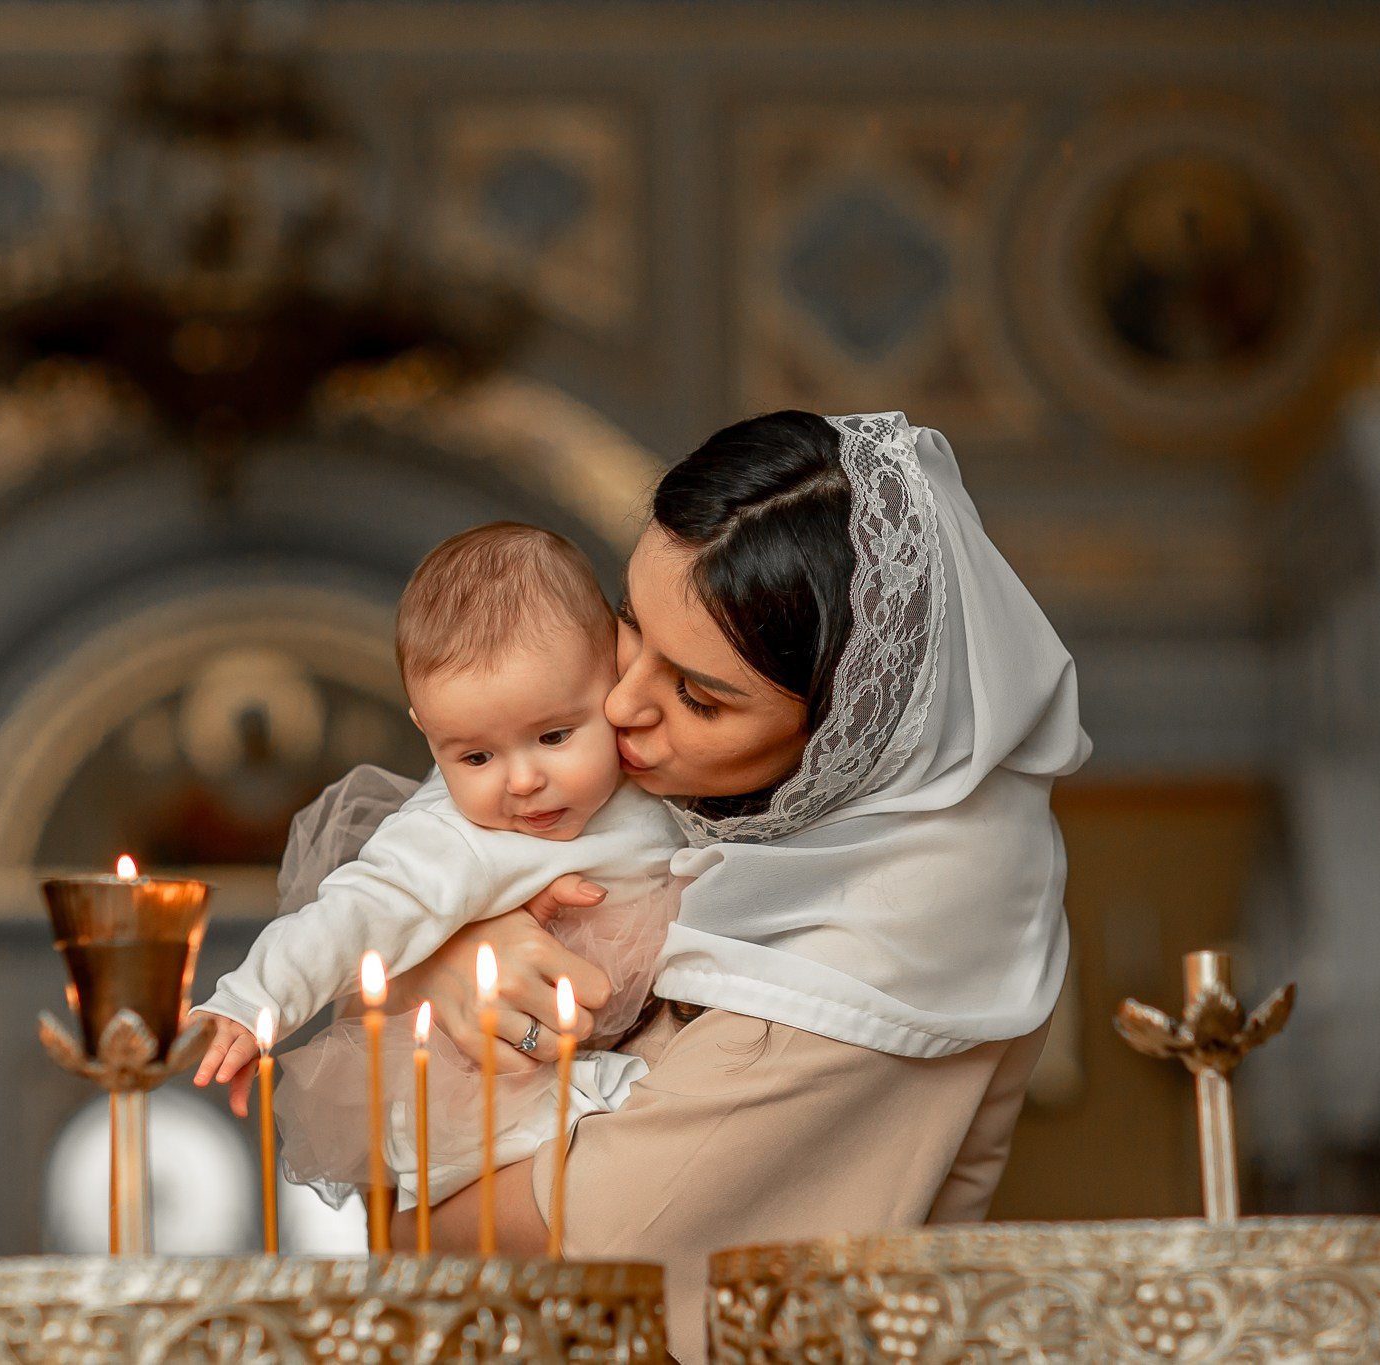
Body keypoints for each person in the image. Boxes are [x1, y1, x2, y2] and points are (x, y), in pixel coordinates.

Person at [382, 411, 1090, 1365]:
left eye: (700, 696)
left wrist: (441, 1013)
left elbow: (538, 1237)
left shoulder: (892, 931)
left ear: (850, 731)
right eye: (630, 632)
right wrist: (462, 945)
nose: (624, 705)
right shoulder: (724, 807)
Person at [190, 522, 683, 1209]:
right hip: (495, 1089)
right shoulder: (453, 836)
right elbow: (353, 912)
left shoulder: (661, 767)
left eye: (554, 736)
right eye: (476, 756)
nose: (522, 780)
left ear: (615, 678)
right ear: (427, 729)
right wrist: (253, 1002)